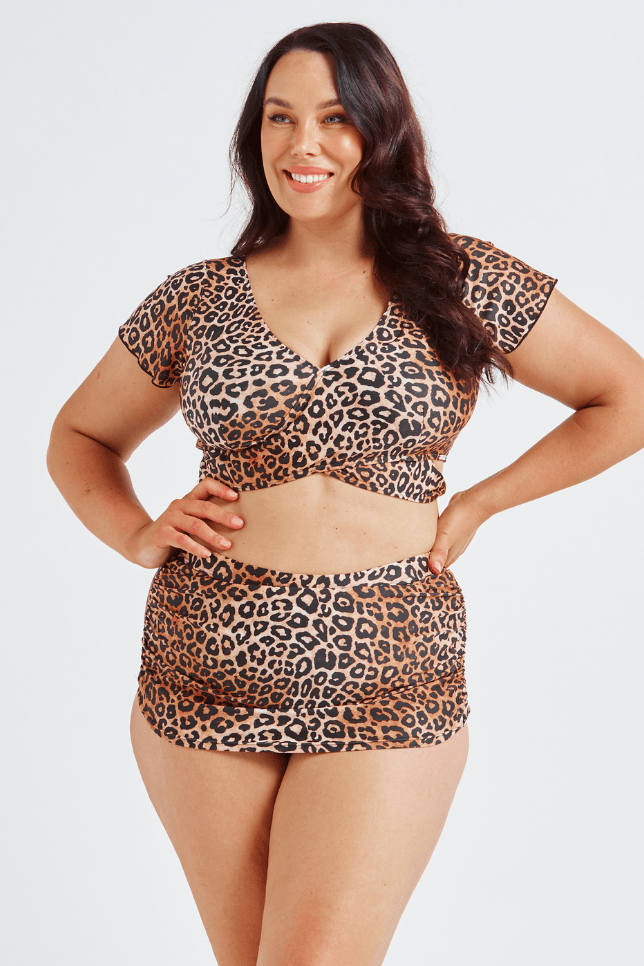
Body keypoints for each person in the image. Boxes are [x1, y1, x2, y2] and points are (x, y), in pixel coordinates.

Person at [46, 21, 644, 966]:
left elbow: (626, 396)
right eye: (279, 118)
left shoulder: (459, 277)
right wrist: (134, 533)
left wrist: (481, 502)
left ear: (380, 128)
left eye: (333, 118)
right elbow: (79, 436)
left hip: (389, 668)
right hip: (206, 663)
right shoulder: (198, 298)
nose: (303, 144)